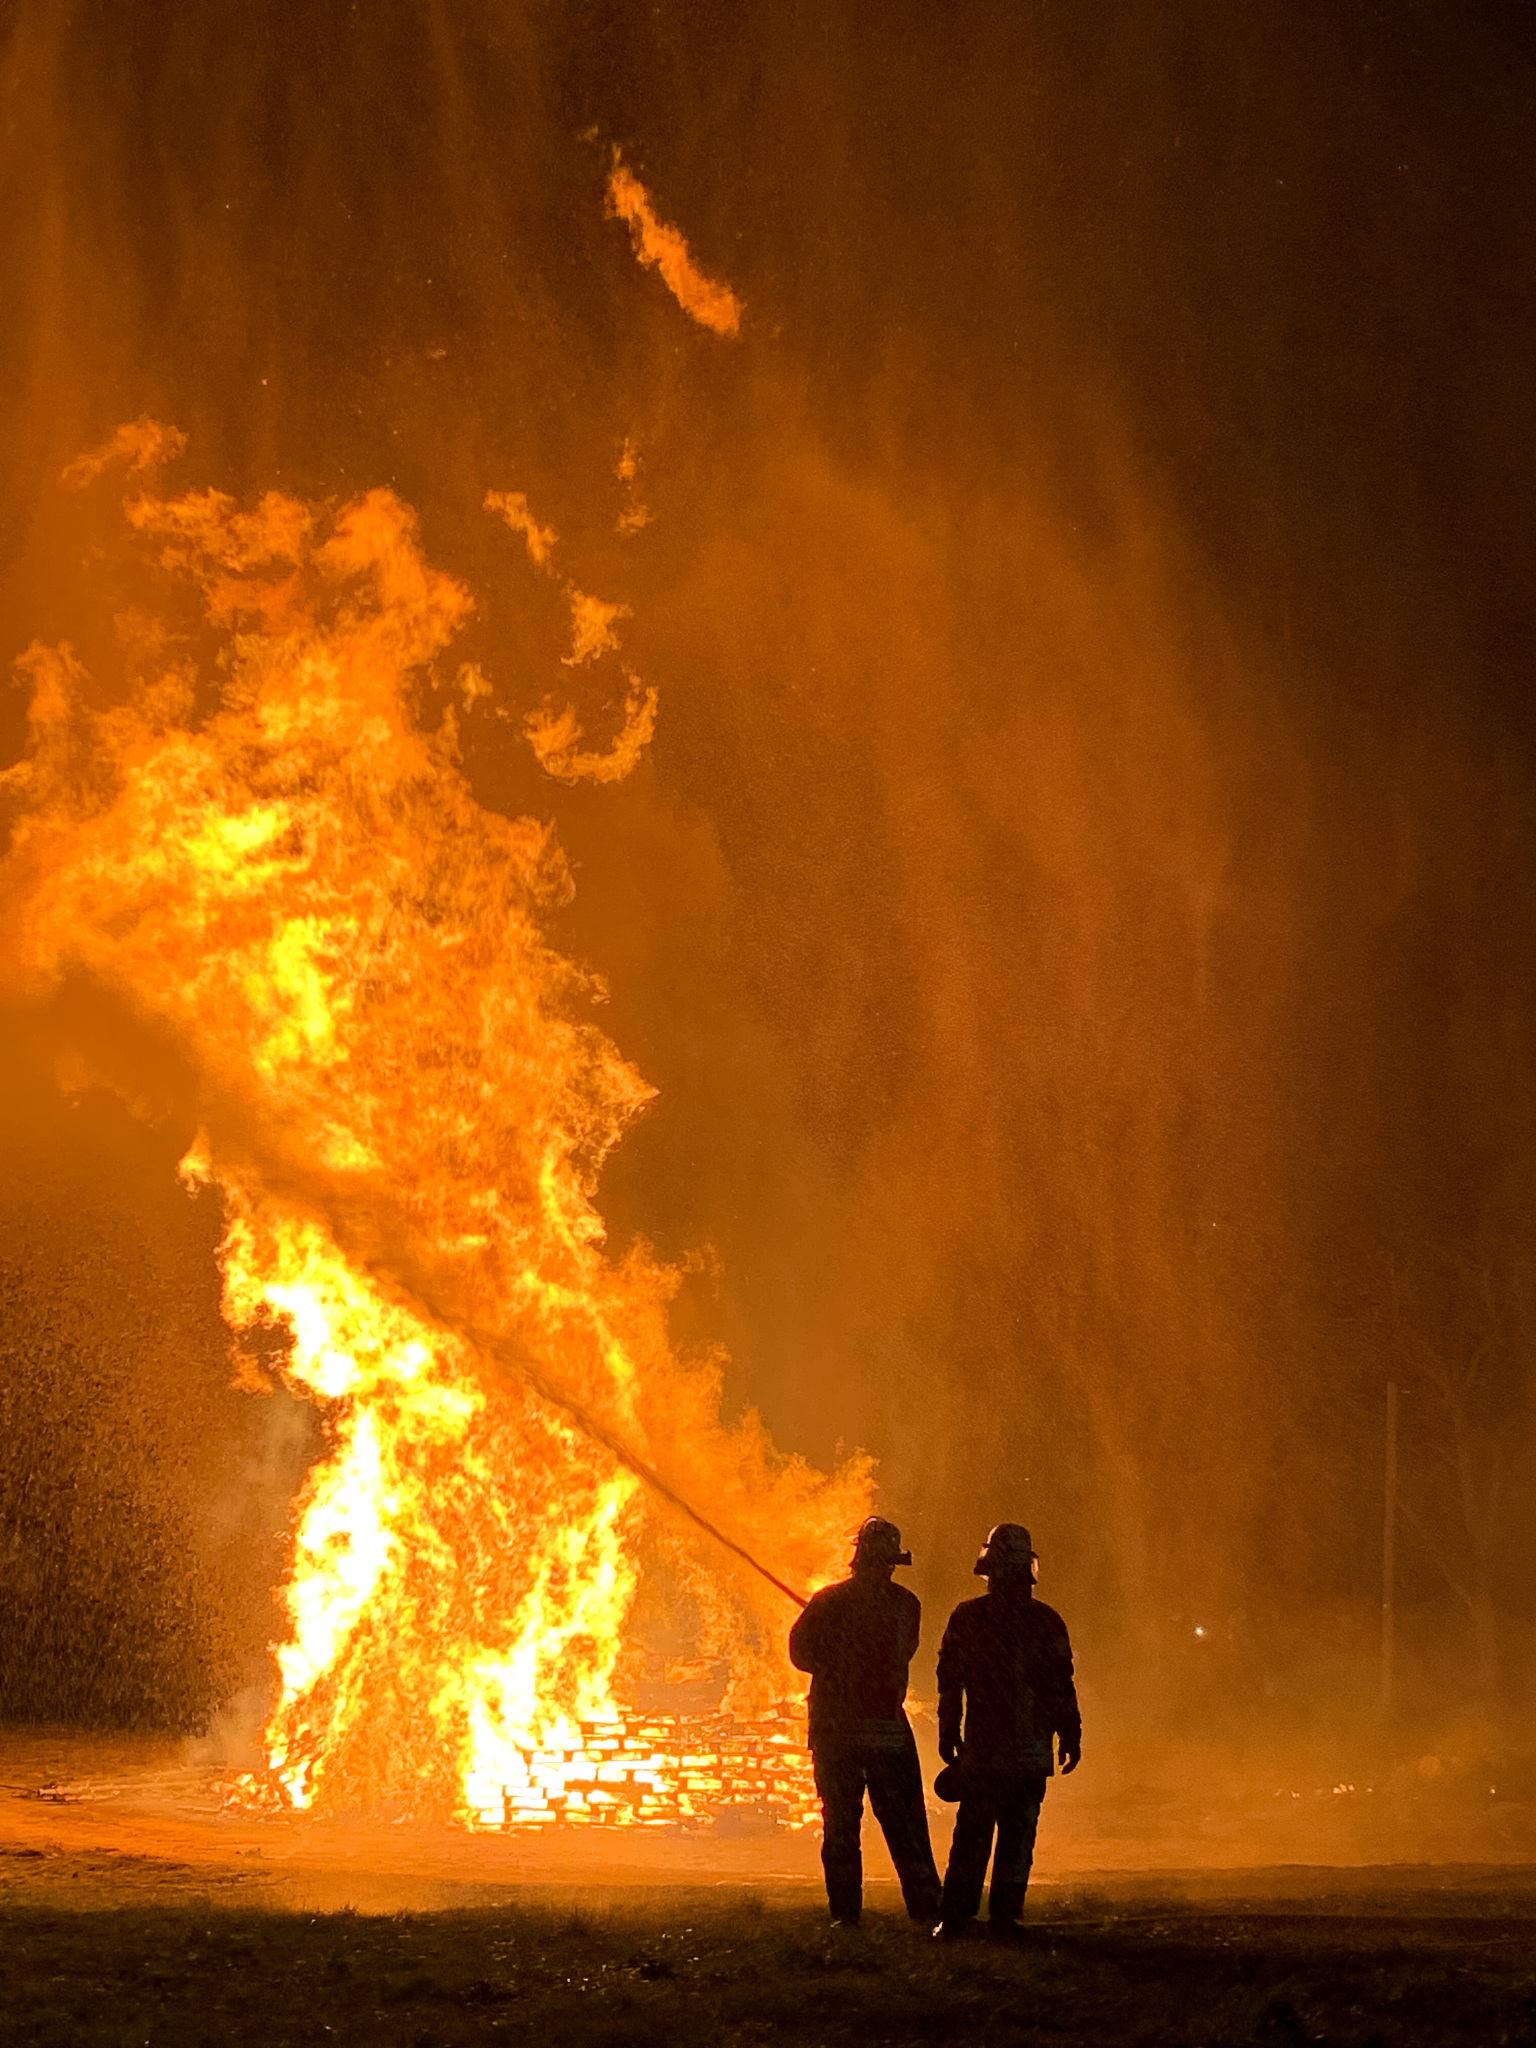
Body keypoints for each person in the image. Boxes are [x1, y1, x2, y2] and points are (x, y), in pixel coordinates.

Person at [788, 1516, 943, 1927]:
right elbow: (903, 1652)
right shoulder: (906, 1605)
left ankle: (846, 1917)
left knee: (841, 1826)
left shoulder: (828, 1603)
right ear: (891, 1562)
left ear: (857, 1556)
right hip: (887, 1730)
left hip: (837, 1731)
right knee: (906, 1826)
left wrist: (835, 1649)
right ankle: (928, 1912)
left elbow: (801, 1655)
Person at [933, 1523, 1081, 1940]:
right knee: (1016, 1837)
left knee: (975, 1837)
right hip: (1025, 1750)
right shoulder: (1046, 1621)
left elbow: (950, 1680)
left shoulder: (970, 1617)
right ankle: (1002, 1917)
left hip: (989, 1750)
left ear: (990, 1571)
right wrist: (1070, 1733)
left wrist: (949, 1729)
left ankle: (959, 1919)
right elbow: (1061, 1684)